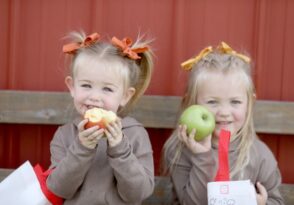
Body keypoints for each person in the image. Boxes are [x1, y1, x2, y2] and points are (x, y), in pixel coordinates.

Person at [162, 42, 284, 205]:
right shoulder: (179, 151)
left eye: (235, 102)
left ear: (250, 103)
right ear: (191, 103)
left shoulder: (259, 155)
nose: (224, 112)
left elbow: (276, 200)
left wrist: (261, 203)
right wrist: (202, 157)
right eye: (212, 102)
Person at [46, 31, 155, 204]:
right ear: (72, 86)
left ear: (126, 96)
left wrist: (120, 149)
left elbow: (138, 193)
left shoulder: (135, 135)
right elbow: (59, 189)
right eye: (86, 85)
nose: (95, 97)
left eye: (107, 89)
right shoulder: (65, 135)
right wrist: (82, 148)